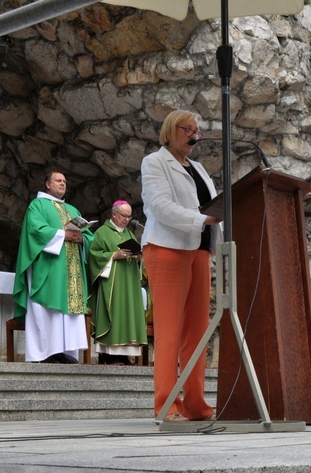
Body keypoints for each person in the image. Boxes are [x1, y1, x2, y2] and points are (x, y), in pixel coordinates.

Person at [140, 110, 222, 422]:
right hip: (166, 249)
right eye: (187, 129)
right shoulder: (155, 162)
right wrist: (203, 219)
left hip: (200, 251)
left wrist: (219, 241)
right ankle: (167, 404)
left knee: (197, 332)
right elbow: (160, 206)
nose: (194, 134)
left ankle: (196, 404)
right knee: (169, 331)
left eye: (196, 130)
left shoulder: (199, 168)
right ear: (171, 130)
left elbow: (214, 206)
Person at [12, 171, 94, 364]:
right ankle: (45, 353)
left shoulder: (73, 210)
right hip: (49, 267)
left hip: (71, 270)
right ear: (47, 184)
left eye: (65, 181)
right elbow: (35, 230)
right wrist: (63, 235)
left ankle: (65, 352)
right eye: (58, 180)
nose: (62, 184)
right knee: (47, 310)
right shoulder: (37, 205)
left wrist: (82, 238)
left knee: (67, 313)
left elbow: (89, 236)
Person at [88, 200, 147, 365]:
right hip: (112, 283)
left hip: (129, 283)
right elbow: (94, 255)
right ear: (114, 214)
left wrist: (138, 258)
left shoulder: (128, 234)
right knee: (114, 314)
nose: (127, 220)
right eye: (124, 216)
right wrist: (113, 256)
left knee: (127, 316)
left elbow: (133, 253)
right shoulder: (102, 232)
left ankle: (125, 356)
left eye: (129, 217)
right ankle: (109, 356)